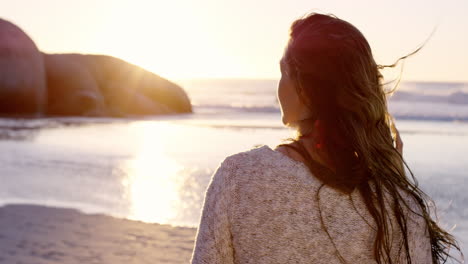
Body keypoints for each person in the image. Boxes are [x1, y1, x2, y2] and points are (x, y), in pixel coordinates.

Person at [191, 12, 462, 264]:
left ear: (305, 90)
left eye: (283, 72)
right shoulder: (400, 209)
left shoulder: (238, 177)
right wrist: (395, 191)